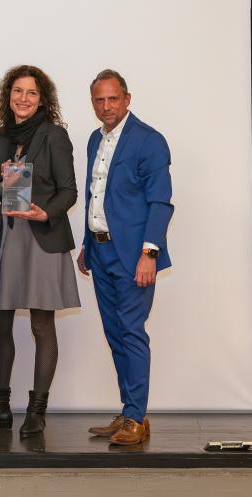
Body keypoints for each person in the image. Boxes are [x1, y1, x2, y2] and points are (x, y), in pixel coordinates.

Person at [0, 65, 80, 437]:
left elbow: (69, 190)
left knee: (42, 325)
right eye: (17, 91)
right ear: (7, 96)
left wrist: (47, 211)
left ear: (42, 99)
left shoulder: (54, 136)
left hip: (43, 235)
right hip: (9, 238)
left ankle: (37, 410)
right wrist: (3, 181)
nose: (23, 98)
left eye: (31, 92)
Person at [78, 70, 174, 446]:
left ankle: (135, 416)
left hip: (134, 255)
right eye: (99, 100)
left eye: (113, 98)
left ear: (127, 99)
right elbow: (95, 195)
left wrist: (149, 253)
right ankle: (130, 412)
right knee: (115, 333)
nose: (106, 106)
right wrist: (87, 243)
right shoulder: (95, 139)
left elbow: (160, 203)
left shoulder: (149, 140)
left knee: (131, 332)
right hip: (100, 251)